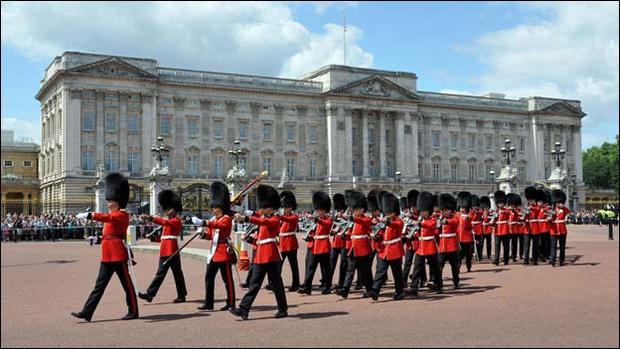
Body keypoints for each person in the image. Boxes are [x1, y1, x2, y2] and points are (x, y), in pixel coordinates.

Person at [71, 173, 138, 322]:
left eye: (111, 201)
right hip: (107, 254)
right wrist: (97, 239)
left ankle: (133, 310)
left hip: (118, 254)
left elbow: (107, 219)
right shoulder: (112, 214)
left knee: (127, 285)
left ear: (118, 201)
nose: (108, 203)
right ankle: (87, 312)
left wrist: (90, 215)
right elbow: (108, 233)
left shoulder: (122, 215)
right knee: (99, 286)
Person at [230, 185, 288, 320]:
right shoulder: (265, 215)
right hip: (261, 255)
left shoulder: (275, 218)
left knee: (276, 284)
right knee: (254, 284)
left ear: (271, 207)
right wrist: (236, 207)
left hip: (271, 255)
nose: (261, 208)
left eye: (264, 206)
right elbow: (256, 215)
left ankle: (283, 309)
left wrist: (244, 218)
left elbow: (261, 221)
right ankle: (243, 309)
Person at [192, 182, 236, 311]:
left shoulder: (226, 219)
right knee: (209, 278)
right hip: (213, 253)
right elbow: (211, 236)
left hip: (224, 253)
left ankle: (231, 302)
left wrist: (205, 222)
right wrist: (202, 234)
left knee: (227, 280)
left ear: (220, 207)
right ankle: (209, 303)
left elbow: (221, 227)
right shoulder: (214, 220)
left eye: (214, 207)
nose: (212, 209)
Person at [139, 190, 187, 304]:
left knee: (170, 273)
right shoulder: (170, 219)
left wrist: (151, 218)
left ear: (174, 209)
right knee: (174, 273)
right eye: (166, 210)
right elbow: (164, 236)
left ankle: (150, 294)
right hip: (165, 249)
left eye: (168, 209)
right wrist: (153, 239)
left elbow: (165, 224)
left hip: (172, 250)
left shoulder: (176, 220)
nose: (166, 212)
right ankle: (181, 294)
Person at [369, 192, 405, 301]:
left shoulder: (399, 221)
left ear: (394, 212)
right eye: (386, 212)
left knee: (397, 273)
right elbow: (380, 233)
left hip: (395, 250)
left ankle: (400, 292)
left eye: (389, 212)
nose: (388, 214)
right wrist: (376, 236)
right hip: (384, 250)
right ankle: (375, 290)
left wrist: (386, 221)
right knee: (380, 271)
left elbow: (394, 225)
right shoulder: (384, 221)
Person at [339, 190, 374, 299]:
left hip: (363, 249)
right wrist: (345, 235)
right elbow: (353, 232)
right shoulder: (356, 220)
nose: (355, 211)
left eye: (356, 209)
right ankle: (345, 289)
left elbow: (361, 223)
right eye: (355, 209)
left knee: (366, 271)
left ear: (362, 209)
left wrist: (351, 218)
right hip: (354, 248)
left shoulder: (366, 219)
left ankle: (369, 289)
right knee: (350, 269)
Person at [299, 191, 333, 295]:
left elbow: (326, 225)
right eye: (317, 210)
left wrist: (316, 219)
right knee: (310, 268)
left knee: (326, 269)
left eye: (320, 210)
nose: (318, 211)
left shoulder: (328, 219)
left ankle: (327, 287)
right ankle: (307, 287)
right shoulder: (316, 220)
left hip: (323, 246)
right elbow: (312, 231)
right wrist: (308, 236)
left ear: (324, 210)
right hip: (314, 246)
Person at [411, 191, 443, 295]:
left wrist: (420, 223)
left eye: (424, 211)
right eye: (421, 211)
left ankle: (438, 286)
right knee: (417, 267)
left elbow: (430, 225)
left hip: (430, 245)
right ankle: (414, 287)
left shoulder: (433, 219)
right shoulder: (421, 219)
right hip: (421, 246)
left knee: (434, 268)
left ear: (428, 211)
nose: (422, 213)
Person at [278, 191, 301, 292]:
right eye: (284, 207)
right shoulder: (283, 218)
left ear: (291, 207)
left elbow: (288, 220)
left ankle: (296, 284)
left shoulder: (294, 217)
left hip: (291, 244)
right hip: (282, 243)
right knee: (278, 265)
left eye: (286, 207)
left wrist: (278, 216)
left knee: (293, 266)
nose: (284, 209)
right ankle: (274, 283)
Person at [437, 193, 461, 289]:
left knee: (454, 266)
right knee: (439, 265)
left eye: (446, 210)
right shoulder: (440, 217)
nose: (444, 212)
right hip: (442, 245)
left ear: (450, 209)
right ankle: (439, 285)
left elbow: (456, 222)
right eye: (443, 210)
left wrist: (446, 221)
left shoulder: (454, 216)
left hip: (452, 245)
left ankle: (456, 282)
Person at [549, 190, 570, 266]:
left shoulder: (565, 209)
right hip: (553, 230)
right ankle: (553, 260)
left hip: (562, 230)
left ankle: (562, 260)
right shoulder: (552, 210)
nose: (560, 204)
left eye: (561, 202)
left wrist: (567, 217)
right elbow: (549, 219)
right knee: (553, 246)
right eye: (558, 202)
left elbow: (568, 214)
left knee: (562, 246)